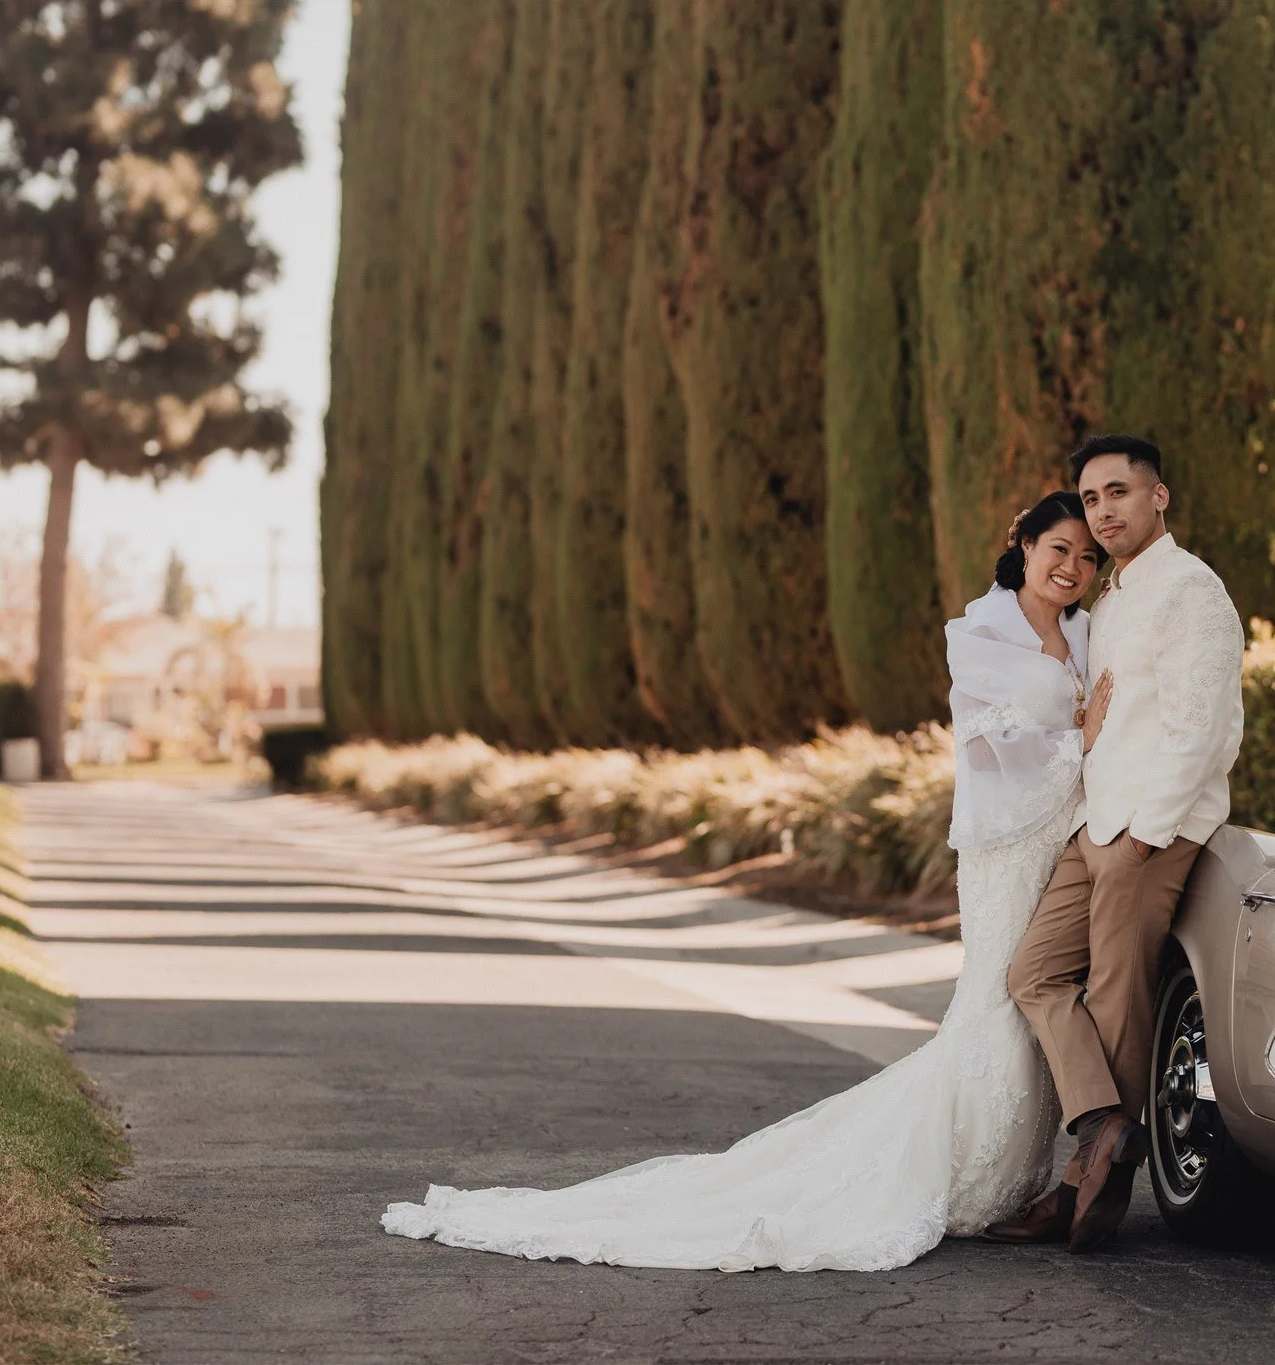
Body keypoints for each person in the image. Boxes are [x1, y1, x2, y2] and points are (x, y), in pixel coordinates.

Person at [380, 491, 1113, 1271]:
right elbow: (991, 746)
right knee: (995, 997)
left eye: (1087, 555)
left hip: (1061, 841)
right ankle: (964, 1172)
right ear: (1024, 545)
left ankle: (1011, 1171)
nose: (1072, 566)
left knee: (1037, 991)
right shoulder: (980, 632)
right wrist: (1080, 738)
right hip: (1006, 845)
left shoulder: (1083, 631)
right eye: (1058, 548)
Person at [984, 434, 1246, 1254]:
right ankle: (1102, 1124)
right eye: (1092, 498)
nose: (1102, 511)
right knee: (1032, 973)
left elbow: (1202, 729)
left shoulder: (1193, 590)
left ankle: (1082, 1190)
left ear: (1158, 496)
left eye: (1118, 492)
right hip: (1094, 822)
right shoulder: (1111, 600)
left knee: (1117, 997)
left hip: (1150, 830)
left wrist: (1144, 837)